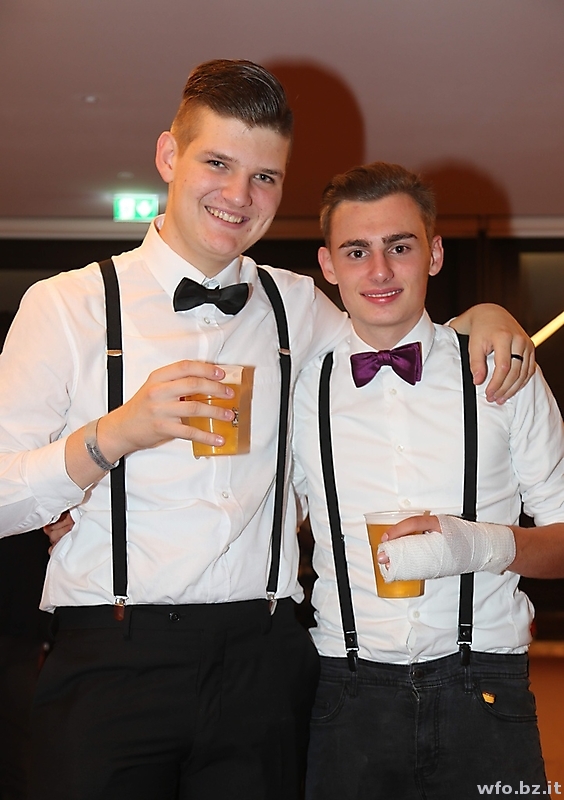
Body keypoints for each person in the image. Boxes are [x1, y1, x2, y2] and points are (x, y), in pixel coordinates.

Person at [0, 60, 533, 800]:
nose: (239, 195)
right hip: (111, 660)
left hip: (265, 659)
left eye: (265, 177)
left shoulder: (299, 305)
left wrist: (486, 316)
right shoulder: (66, 307)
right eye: (218, 163)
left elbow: (397, 329)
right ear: (168, 156)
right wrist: (111, 436)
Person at [292, 161, 563, 799]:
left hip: (488, 690)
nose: (379, 271)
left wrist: (477, 546)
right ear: (328, 266)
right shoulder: (297, 387)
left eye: (400, 247)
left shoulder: (503, 371)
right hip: (345, 695)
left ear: (434, 254)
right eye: (356, 251)